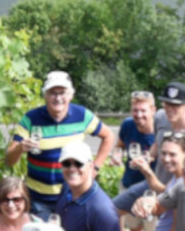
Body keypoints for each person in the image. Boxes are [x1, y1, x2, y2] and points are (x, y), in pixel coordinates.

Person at [7, 71, 117, 220]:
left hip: (73, 196)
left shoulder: (82, 116)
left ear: (70, 95)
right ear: (45, 95)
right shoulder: (31, 119)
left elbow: (108, 136)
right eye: (53, 93)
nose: (58, 98)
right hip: (39, 201)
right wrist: (20, 147)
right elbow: (9, 160)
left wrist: (95, 168)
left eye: (62, 93)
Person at [112, 132, 185, 231]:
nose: (167, 159)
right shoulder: (178, 177)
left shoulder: (184, 184)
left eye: (172, 154)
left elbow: (177, 228)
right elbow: (165, 192)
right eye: (164, 153)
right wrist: (147, 172)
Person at [117, 90, 159, 231]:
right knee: (134, 227)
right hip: (129, 185)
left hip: (152, 190)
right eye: (135, 110)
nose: (139, 114)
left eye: (143, 110)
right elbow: (119, 145)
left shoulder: (159, 132)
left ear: (153, 110)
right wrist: (116, 154)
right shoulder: (128, 125)